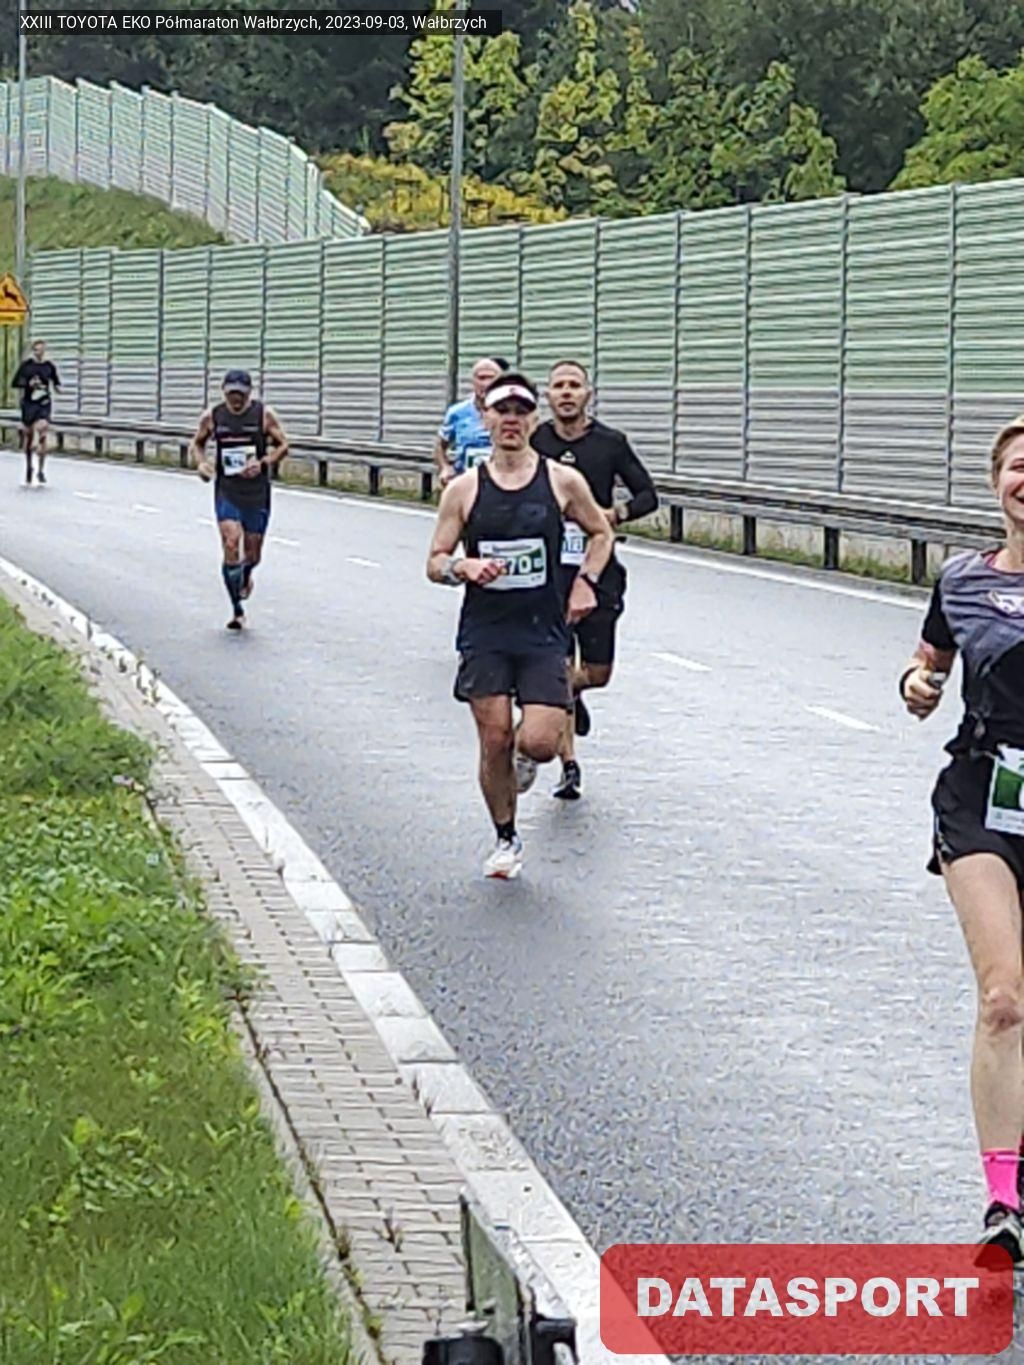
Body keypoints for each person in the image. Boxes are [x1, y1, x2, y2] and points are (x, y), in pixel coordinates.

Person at [901, 412, 1024, 1264]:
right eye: (1019, 466)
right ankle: (1003, 1201)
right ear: (997, 483)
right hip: (983, 793)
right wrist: (916, 685)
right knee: (1004, 995)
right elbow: (928, 667)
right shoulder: (962, 580)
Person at [427, 371, 614, 879]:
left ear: (533, 420)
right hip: (486, 631)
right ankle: (506, 837)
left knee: (540, 742)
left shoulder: (561, 481)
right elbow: (434, 561)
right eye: (501, 411)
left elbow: (601, 533)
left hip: (542, 630)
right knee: (493, 739)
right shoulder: (465, 489)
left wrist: (586, 582)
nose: (511, 420)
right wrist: (462, 567)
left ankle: (524, 756)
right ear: (485, 418)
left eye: (521, 411)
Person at [531, 360, 658, 800]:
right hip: (550, 574)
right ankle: (569, 765)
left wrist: (614, 514)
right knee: (558, 665)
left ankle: (572, 691)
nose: (566, 393)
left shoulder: (610, 443)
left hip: (597, 565)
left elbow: (648, 495)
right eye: (558, 386)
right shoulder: (536, 442)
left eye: (574, 386)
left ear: (588, 394)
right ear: (547, 396)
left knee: (597, 673)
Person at [188, 370, 289, 631]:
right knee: (231, 542)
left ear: (249, 393)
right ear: (223, 392)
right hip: (228, 489)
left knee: (253, 555)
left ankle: (246, 575)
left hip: (256, 492)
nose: (235, 400)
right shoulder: (213, 416)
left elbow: (283, 445)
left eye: (240, 395)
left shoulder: (263, 415)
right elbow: (197, 443)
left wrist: (264, 462)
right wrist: (201, 464)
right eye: (231, 394)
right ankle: (237, 610)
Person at [434, 356, 508, 487]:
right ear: (473, 382)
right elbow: (440, 446)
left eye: (491, 378)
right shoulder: (457, 412)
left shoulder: (512, 412)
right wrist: (445, 467)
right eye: (481, 378)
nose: (486, 384)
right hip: (466, 482)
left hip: (503, 483)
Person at [13, 339, 61, 486]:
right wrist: (29, 384)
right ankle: (29, 466)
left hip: (43, 403)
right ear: (33, 351)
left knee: (42, 427)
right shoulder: (26, 366)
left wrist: (58, 389)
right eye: (36, 350)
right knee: (28, 437)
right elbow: (16, 382)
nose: (39, 352)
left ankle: (41, 470)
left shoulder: (49, 366)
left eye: (41, 350)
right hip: (29, 404)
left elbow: (56, 382)